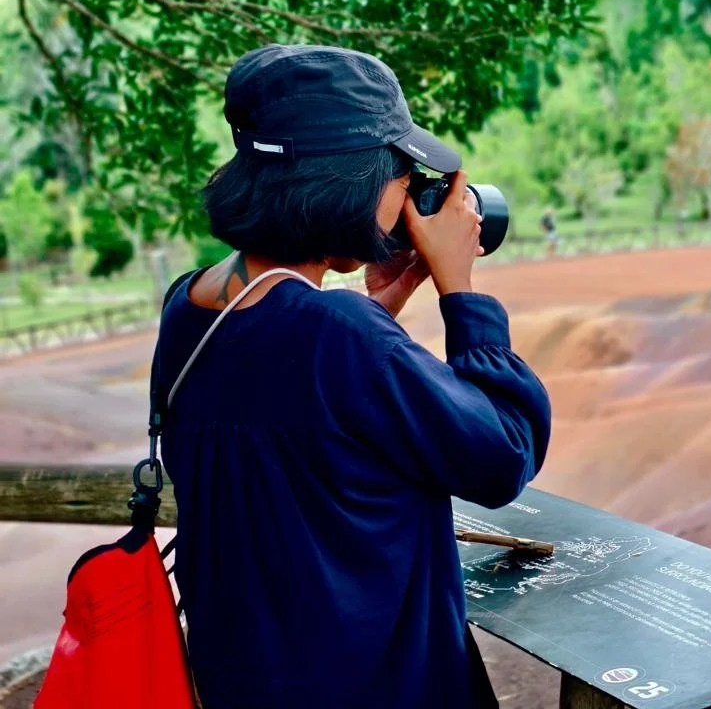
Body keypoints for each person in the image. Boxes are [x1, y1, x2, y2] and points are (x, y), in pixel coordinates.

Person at [152, 45, 551, 709]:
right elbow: (502, 454)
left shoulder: (188, 305)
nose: (409, 202)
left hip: (247, 681)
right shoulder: (339, 334)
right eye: (402, 178)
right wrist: (460, 289)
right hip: (376, 684)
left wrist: (380, 307)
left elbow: (302, 415)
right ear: (353, 183)